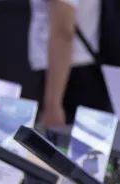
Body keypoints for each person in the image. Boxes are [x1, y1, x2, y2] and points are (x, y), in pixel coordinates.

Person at [29, 0, 109, 129]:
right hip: (73, 71)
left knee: (65, 138)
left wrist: (53, 104)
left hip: (68, 76)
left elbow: (63, 32)